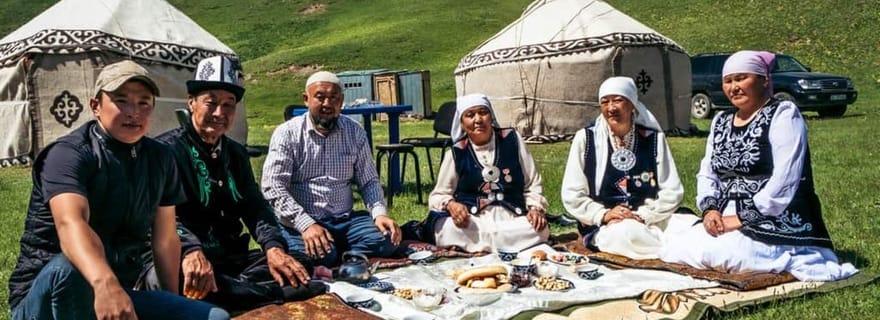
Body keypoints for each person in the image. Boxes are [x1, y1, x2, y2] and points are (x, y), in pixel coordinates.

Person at [8, 60, 228, 320]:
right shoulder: (69, 155)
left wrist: (171, 301)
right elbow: (71, 225)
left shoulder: (160, 158)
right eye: (121, 101)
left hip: (116, 291)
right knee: (70, 269)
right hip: (48, 297)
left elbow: (166, 238)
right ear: (95, 106)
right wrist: (105, 284)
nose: (133, 112)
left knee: (215, 317)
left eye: (143, 103)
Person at [142, 56, 324, 311]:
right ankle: (270, 292)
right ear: (191, 102)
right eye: (211, 102)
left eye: (228, 105)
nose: (219, 113)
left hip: (228, 257)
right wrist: (191, 250)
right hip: (184, 257)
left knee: (299, 262)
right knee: (176, 278)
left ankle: (235, 290)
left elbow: (255, 207)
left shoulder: (235, 154)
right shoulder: (164, 152)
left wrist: (273, 248)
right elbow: (159, 217)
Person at [658, 50, 858, 281]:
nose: (734, 87)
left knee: (726, 254)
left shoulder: (783, 114)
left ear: (764, 79)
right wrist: (710, 209)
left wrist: (744, 217)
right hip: (726, 213)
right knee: (675, 248)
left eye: (742, 78)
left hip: (776, 215)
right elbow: (707, 171)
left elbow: (787, 178)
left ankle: (790, 255)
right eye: (728, 81)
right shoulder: (720, 120)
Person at [261, 71, 402, 267]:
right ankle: (338, 253)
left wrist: (379, 214)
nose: (327, 104)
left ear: (341, 101)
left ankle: (341, 254)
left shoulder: (355, 132)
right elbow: (273, 186)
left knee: (387, 239)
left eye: (333, 98)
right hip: (302, 221)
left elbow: (369, 180)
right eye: (320, 97)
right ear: (306, 99)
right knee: (319, 255)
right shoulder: (287, 134)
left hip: (345, 220)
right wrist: (306, 225)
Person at [560, 77, 684, 259]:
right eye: (605, 102)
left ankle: (658, 245)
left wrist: (643, 216)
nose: (611, 108)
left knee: (689, 225)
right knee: (626, 233)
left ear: (633, 104)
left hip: (651, 218)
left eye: (618, 100)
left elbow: (672, 190)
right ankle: (671, 252)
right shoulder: (585, 139)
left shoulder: (654, 139)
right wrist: (603, 214)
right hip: (607, 225)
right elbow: (572, 193)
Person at [423, 93, 549, 252]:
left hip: (513, 219)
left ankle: (478, 247)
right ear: (462, 123)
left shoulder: (512, 140)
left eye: (483, 112)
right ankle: (505, 246)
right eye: (470, 115)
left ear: (491, 116)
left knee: (540, 229)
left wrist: (535, 209)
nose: (478, 119)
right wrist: (452, 205)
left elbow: (533, 182)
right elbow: (438, 195)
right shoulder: (456, 153)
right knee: (445, 228)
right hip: (474, 222)